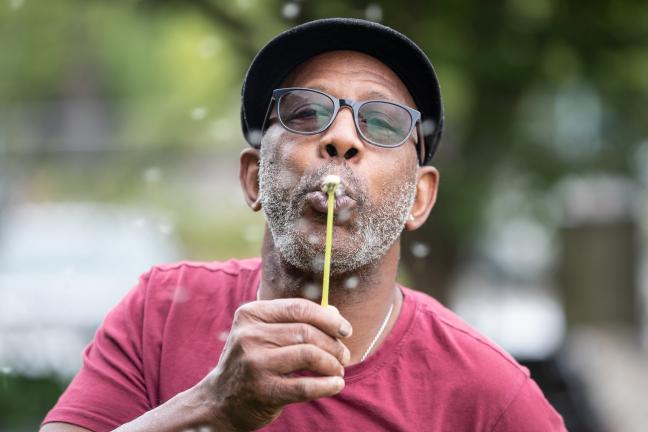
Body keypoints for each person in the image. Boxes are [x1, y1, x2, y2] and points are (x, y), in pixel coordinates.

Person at [40, 18, 566, 432]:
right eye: (306, 113)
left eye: (381, 123)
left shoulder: (487, 394)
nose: (340, 137)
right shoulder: (159, 312)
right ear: (253, 180)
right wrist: (211, 408)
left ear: (420, 200)